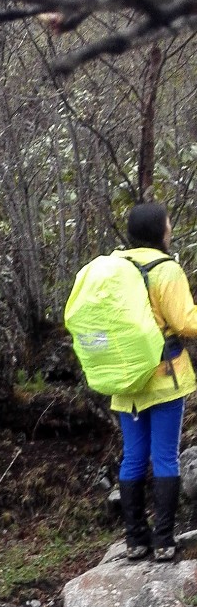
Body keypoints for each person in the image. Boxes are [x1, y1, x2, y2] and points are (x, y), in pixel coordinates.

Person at [114, 200, 197, 562]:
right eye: (167, 222)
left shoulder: (115, 267)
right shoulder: (166, 270)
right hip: (164, 379)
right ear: (157, 230)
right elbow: (185, 322)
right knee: (165, 457)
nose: (170, 227)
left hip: (124, 378)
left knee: (133, 457)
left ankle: (135, 540)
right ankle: (163, 542)